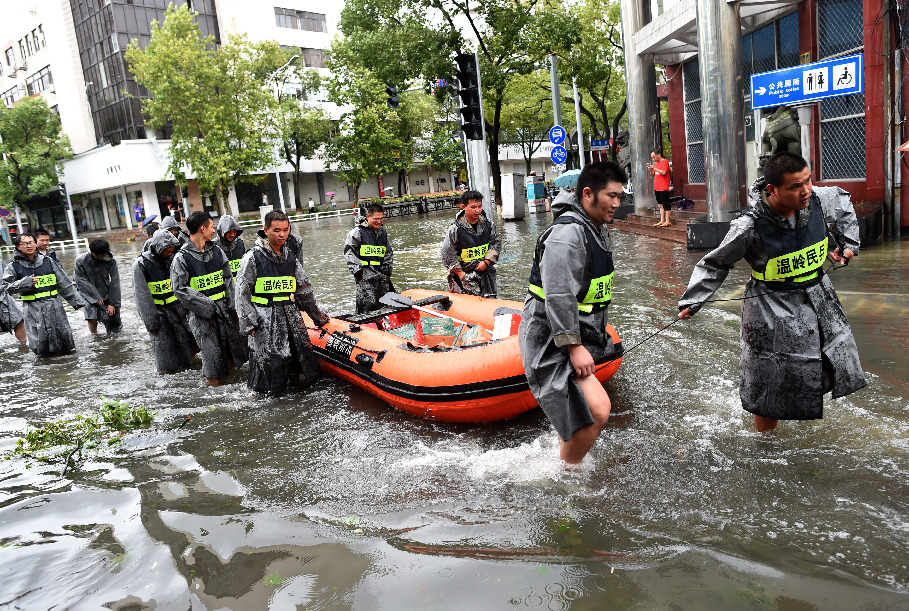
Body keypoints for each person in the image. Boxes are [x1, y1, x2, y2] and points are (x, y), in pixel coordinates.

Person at [677, 151, 866, 432]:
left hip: (819, 295)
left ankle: (802, 417)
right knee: (771, 378)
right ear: (772, 189)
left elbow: (844, 206)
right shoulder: (748, 226)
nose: (805, 191)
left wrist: (849, 243)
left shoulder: (818, 199)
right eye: (795, 186)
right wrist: (693, 300)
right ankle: (765, 441)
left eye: (808, 181)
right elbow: (716, 263)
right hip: (770, 307)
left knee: (831, 362)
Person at [520, 162, 624, 464]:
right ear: (588, 193)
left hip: (574, 333)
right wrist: (575, 347)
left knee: (584, 414)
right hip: (549, 338)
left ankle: (562, 455)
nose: (617, 204)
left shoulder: (596, 229)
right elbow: (559, 295)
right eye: (611, 196)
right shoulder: (567, 235)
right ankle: (567, 476)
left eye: (621, 196)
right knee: (598, 410)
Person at [235, 210, 330, 396]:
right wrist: (250, 323)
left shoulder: (290, 257)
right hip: (265, 319)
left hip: (291, 317)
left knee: (302, 360)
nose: (282, 235)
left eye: (286, 230)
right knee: (269, 368)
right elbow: (241, 293)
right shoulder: (252, 258)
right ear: (265, 230)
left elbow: (304, 290)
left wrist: (318, 317)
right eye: (277, 230)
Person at [171, 211, 248, 386]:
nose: (214, 230)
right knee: (212, 360)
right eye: (212, 226)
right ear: (202, 228)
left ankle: (230, 385)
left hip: (224, 311)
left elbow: (229, 281)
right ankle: (215, 391)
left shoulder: (217, 251)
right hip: (202, 316)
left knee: (232, 353)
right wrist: (207, 307)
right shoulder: (181, 258)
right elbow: (180, 289)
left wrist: (233, 306)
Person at [1, 233, 86, 356]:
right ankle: (45, 367)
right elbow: (7, 287)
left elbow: (63, 281)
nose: (29, 246)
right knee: (40, 342)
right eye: (25, 243)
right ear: (18, 247)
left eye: (31, 242)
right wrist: (26, 282)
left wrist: (76, 301)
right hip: (32, 308)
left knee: (62, 338)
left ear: (35, 244)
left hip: (54, 305)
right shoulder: (13, 266)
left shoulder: (48, 261)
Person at [132, 229, 199, 372]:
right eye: (166, 251)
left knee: (190, 341)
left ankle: (189, 366)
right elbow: (142, 297)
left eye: (172, 251)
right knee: (165, 350)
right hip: (159, 312)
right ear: (157, 248)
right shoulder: (141, 264)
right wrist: (151, 323)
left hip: (180, 309)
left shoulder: (174, 258)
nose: (169, 254)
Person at [440, 190, 501, 297]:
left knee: (490, 299)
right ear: (464, 206)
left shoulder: (489, 224)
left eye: (479, 206)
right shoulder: (455, 229)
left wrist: (486, 262)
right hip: (464, 276)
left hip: (486, 272)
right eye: (473, 207)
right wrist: (461, 275)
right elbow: (447, 254)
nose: (477, 210)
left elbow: (496, 244)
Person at [344, 203, 395, 313]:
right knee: (368, 306)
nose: (379, 222)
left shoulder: (383, 233)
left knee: (387, 303)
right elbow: (349, 252)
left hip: (381, 274)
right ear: (368, 217)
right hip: (365, 275)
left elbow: (388, 253)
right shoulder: (357, 232)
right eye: (376, 219)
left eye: (381, 219)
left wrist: (387, 270)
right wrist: (358, 272)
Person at [73, 239, 122, 335]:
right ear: (92, 252)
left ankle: (111, 336)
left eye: (103, 255)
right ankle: (94, 335)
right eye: (98, 255)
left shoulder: (110, 260)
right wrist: (95, 296)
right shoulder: (80, 261)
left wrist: (112, 303)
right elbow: (80, 280)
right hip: (86, 292)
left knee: (111, 315)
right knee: (91, 314)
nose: (101, 257)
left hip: (105, 289)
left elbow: (115, 282)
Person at [0, 260, 27, 345]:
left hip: (4, 296)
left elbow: (10, 279)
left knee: (18, 319)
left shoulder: (0, 262)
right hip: (3, 295)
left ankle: (23, 345)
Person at [647, 148, 672, 227]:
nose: (653, 159)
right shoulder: (656, 164)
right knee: (660, 205)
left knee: (666, 204)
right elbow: (653, 175)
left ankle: (667, 220)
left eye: (654, 157)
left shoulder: (664, 161)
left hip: (663, 186)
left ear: (658, 155)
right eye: (652, 158)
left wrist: (654, 168)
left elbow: (664, 172)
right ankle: (662, 220)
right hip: (657, 186)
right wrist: (651, 169)